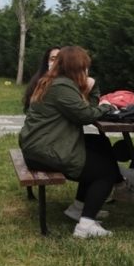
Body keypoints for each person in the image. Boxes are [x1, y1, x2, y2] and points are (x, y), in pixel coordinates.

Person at [19, 46, 119, 238]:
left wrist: (90, 93)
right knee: (106, 172)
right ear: (76, 68)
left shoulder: (51, 82)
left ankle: (79, 207)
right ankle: (86, 225)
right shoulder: (62, 86)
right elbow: (85, 115)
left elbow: (80, 110)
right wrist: (101, 100)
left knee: (98, 144)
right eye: (84, 67)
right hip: (46, 150)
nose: (86, 71)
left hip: (37, 146)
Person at [22, 46, 60, 113]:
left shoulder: (69, 82)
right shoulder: (38, 81)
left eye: (59, 59)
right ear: (47, 62)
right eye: (53, 59)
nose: (56, 63)